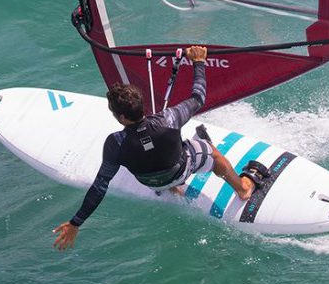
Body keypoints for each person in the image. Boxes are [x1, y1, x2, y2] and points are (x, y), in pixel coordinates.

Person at [52, 45, 257, 250]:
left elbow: (100, 186)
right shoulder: (168, 118)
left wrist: (76, 222)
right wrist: (199, 63)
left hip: (153, 183)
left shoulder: (115, 143)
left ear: (122, 117)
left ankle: (173, 189)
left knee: (151, 157)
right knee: (211, 152)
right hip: (179, 170)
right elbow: (198, 97)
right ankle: (243, 189)